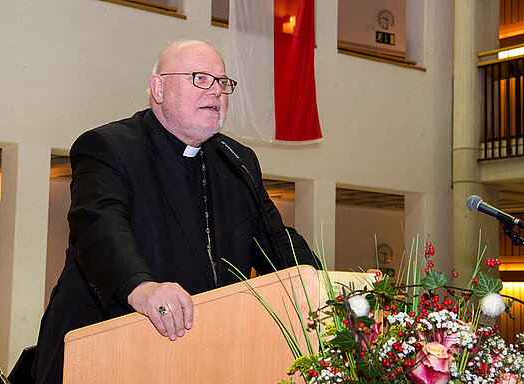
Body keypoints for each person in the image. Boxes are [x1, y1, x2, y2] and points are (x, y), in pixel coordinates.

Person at [32, 40, 317, 383]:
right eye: (200, 78)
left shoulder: (237, 160)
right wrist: (143, 288)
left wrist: (322, 284)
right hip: (105, 346)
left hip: (203, 353)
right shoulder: (109, 147)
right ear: (159, 87)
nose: (216, 92)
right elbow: (100, 230)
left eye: (223, 82)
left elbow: (276, 239)